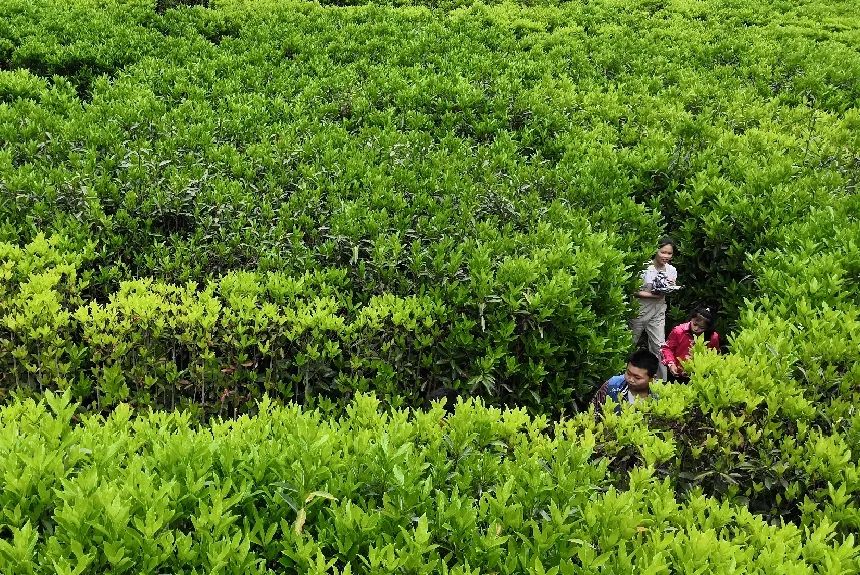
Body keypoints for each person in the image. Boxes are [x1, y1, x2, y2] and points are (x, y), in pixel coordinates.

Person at [630, 236, 678, 381]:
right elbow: (633, 290)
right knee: (630, 342)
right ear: (656, 251)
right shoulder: (644, 268)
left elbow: (669, 288)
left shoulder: (672, 270)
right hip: (640, 309)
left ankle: (660, 383)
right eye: (663, 252)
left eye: (669, 253)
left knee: (659, 346)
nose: (666, 256)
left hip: (658, 311)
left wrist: (670, 286)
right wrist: (653, 295)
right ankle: (623, 378)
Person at [592, 349, 659, 417]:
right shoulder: (612, 385)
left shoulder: (659, 395)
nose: (630, 379)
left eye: (637, 377)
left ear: (652, 378)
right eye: (628, 373)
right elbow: (594, 412)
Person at [662, 305, 720, 382]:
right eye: (695, 324)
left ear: (708, 328)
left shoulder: (713, 337)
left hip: (700, 377)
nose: (696, 329)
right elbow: (667, 348)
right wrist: (671, 364)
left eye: (701, 328)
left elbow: (714, 356)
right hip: (677, 374)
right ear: (691, 319)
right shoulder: (679, 331)